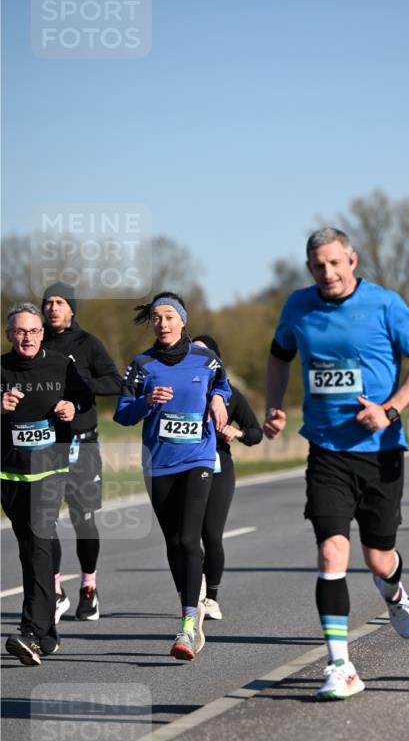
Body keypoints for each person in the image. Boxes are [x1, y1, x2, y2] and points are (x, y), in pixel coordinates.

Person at [264, 227, 409, 701]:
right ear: (309, 268)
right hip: (326, 449)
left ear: (352, 260)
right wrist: (273, 405)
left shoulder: (385, 304)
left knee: (378, 557)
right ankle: (340, 665)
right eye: (319, 266)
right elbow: (278, 355)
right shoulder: (298, 306)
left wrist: (390, 410)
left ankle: (394, 591)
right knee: (330, 554)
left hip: (380, 450)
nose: (328, 273)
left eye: (335, 263)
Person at [114, 292, 230, 660]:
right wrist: (146, 401)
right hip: (159, 462)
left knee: (189, 537)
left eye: (168, 317)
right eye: (156, 318)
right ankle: (191, 603)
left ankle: (188, 624)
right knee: (174, 542)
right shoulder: (142, 364)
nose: (162, 324)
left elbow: (222, 385)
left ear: (182, 320)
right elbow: (122, 413)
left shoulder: (205, 359)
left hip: (198, 457)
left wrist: (218, 399)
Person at [2, 303, 92, 666]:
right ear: (9, 335)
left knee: (39, 545)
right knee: (29, 550)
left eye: (34, 331)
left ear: (42, 333)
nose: (28, 337)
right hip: (10, 474)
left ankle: (31, 632)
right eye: (20, 331)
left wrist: (71, 407)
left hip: (50, 471)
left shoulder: (60, 364)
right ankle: (49, 635)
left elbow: (85, 398)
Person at [41, 281, 122, 622]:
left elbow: (115, 382)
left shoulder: (87, 343)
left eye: (60, 302)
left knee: (83, 520)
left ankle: (89, 587)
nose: (53, 308)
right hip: (45, 445)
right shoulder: (35, 342)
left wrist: (81, 386)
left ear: (72, 309)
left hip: (82, 445)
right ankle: (55, 590)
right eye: (48, 302)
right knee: (43, 521)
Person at [192, 334, 263, 619]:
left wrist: (237, 432)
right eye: (192, 352)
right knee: (186, 537)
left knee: (211, 534)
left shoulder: (230, 393)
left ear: (216, 360)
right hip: (184, 467)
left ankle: (211, 598)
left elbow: (256, 432)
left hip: (218, 467)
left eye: (204, 353)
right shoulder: (181, 387)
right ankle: (193, 588)